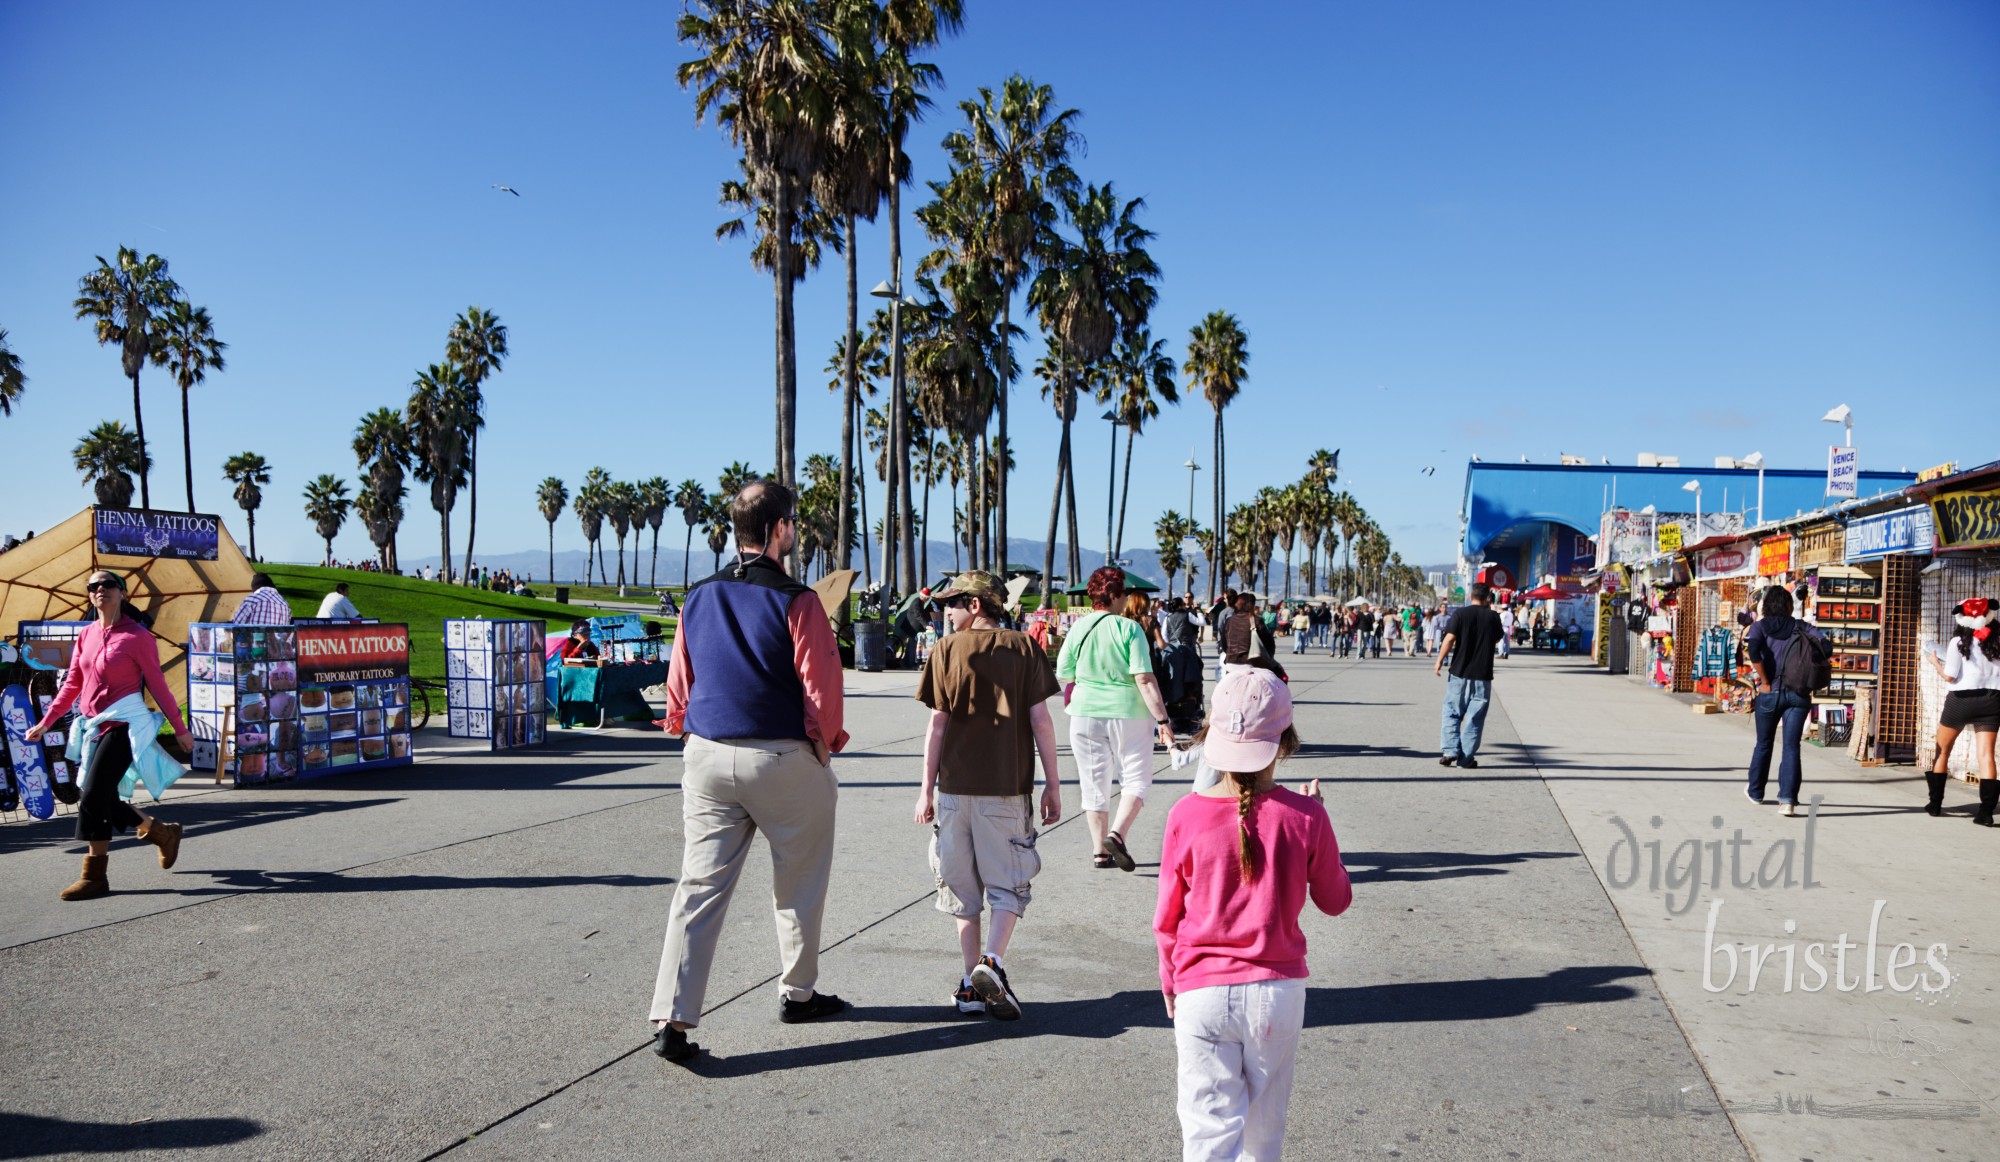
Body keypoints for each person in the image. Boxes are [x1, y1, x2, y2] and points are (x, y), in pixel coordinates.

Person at [650, 481, 849, 1063]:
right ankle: (797, 991)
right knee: (800, 879)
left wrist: (685, 728)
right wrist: (824, 746)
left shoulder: (698, 595)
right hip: (780, 754)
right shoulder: (798, 599)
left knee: (699, 887)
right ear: (781, 528)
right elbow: (821, 689)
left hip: (708, 752)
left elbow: (679, 683)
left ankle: (673, 1019)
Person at [1155, 667, 1352, 1161]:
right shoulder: (1306, 816)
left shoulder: (1185, 813)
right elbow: (1336, 900)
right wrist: (1319, 824)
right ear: (1284, 740)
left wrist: (1170, 980)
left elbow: (1167, 918)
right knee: (1264, 1134)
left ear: (1211, 734)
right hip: (1276, 992)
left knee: (1206, 1132)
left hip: (1201, 989)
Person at [912, 570, 1062, 1020]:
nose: (945, 611)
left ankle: (970, 982)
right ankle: (991, 963)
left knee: (962, 890)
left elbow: (936, 726)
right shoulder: (1024, 648)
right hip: (1006, 790)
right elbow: (1041, 723)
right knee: (1006, 885)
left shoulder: (944, 651)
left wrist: (925, 791)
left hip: (954, 791)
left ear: (976, 605)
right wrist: (1053, 785)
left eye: (953, 603)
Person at [24, 570, 193, 900]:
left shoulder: (138, 638)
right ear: (89, 596)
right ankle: (160, 832)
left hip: (125, 725)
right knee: (102, 795)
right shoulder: (85, 635)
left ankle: (95, 875)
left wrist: (181, 729)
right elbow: (72, 683)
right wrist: (47, 721)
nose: (101, 589)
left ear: (122, 593)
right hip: (93, 725)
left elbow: (158, 686)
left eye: (108, 584)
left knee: (91, 797)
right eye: (94, 586)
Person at [1056, 567, 1177, 872]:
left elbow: (1063, 673)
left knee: (1093, 782)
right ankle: (1117, 834)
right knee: (1136, 777)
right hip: (1128, 712)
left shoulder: (1078, 628)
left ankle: (1100, 851)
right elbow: (1145, 679)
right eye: (1124, 594)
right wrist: (1163, 721)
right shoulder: (1129, 629)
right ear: (1113, 595)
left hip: (1084, 713)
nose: (1126, 600)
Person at [1743, 587, 1829, 817]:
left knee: (1764, 743)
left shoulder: (1759, 627)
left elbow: (1753, 652)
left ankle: (1756, 792)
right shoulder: (1802, 626)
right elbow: (1826, 647)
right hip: (1798, 694)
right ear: (1790, 606)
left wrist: (1764, 680)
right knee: (1791, 746)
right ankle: (1788, 800)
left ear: (1766, 605)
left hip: (1770, 692)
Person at [1927, 598, 2000, 824]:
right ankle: (1986, 813)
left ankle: (1936, 804)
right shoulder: (1998, 639)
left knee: (1943, 751)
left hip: (1961, 699)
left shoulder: (1957, 641)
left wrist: (1934, 662)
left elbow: (1950, 675)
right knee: (1987, 755)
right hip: (1993, 699)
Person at [1433, 581, 1504, 769]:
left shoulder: (1460, 614)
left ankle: (1449, 751)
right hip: (1483, 674)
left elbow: (1449, 638)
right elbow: (1497, 638)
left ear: (1470, 596)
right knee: (1475, 718)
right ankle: (1465, 759)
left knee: (1452, 712)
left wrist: (1439, 661)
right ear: (1488, 597)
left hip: (1459, 672)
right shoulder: (1493, 617)